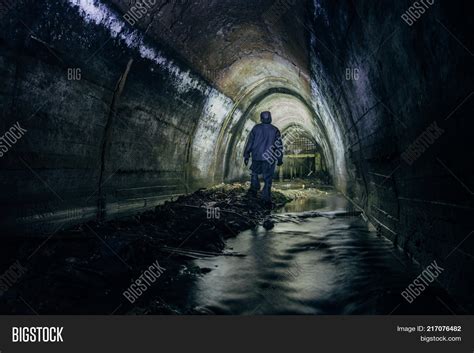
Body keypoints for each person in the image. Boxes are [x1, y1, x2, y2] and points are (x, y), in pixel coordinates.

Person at [243, 111, 283, 206]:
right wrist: (280, 159)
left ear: (261, 119)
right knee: (267, 179)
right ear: (270, 118)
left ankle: (253, 192)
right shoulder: (275, 130)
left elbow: (250, 143)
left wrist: (247, 155)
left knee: (254, 174)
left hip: (256, 157)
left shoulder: (255, 129)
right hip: (269, 158)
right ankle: (265, 199)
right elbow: (279, 146)